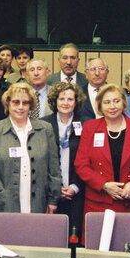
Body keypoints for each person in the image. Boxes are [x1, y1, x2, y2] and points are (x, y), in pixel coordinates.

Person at [0, 82, 62, 216]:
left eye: (25, 103)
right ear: (8, 104)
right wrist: (0, 195)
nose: (20, 107)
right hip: (5, 203)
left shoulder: (45, 129)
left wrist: (53, 199)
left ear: (30, 105)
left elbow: (54, 168)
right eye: (16, 102)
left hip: (40, 201)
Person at [75, 84, 130, 240]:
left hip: (128, 202)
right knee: (96, 252)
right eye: (107, 102)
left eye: (116, 101)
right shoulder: (90, 127)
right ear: (100, 106)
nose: (112, 106)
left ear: (124, 103)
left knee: (126, 249)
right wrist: (104, 184)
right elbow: (81, 165)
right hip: (98, 202)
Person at [41, 82, 91, 237]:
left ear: (76, 102)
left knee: (74, 236)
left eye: (70, 99)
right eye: (61, 98)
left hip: (77, 190)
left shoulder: (87, 123)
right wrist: (55, 188)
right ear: (55, 101)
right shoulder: (43, 124)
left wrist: (75, 187)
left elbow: (90, 160)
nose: (65, 103)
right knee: (50, 236)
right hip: (49, 192)